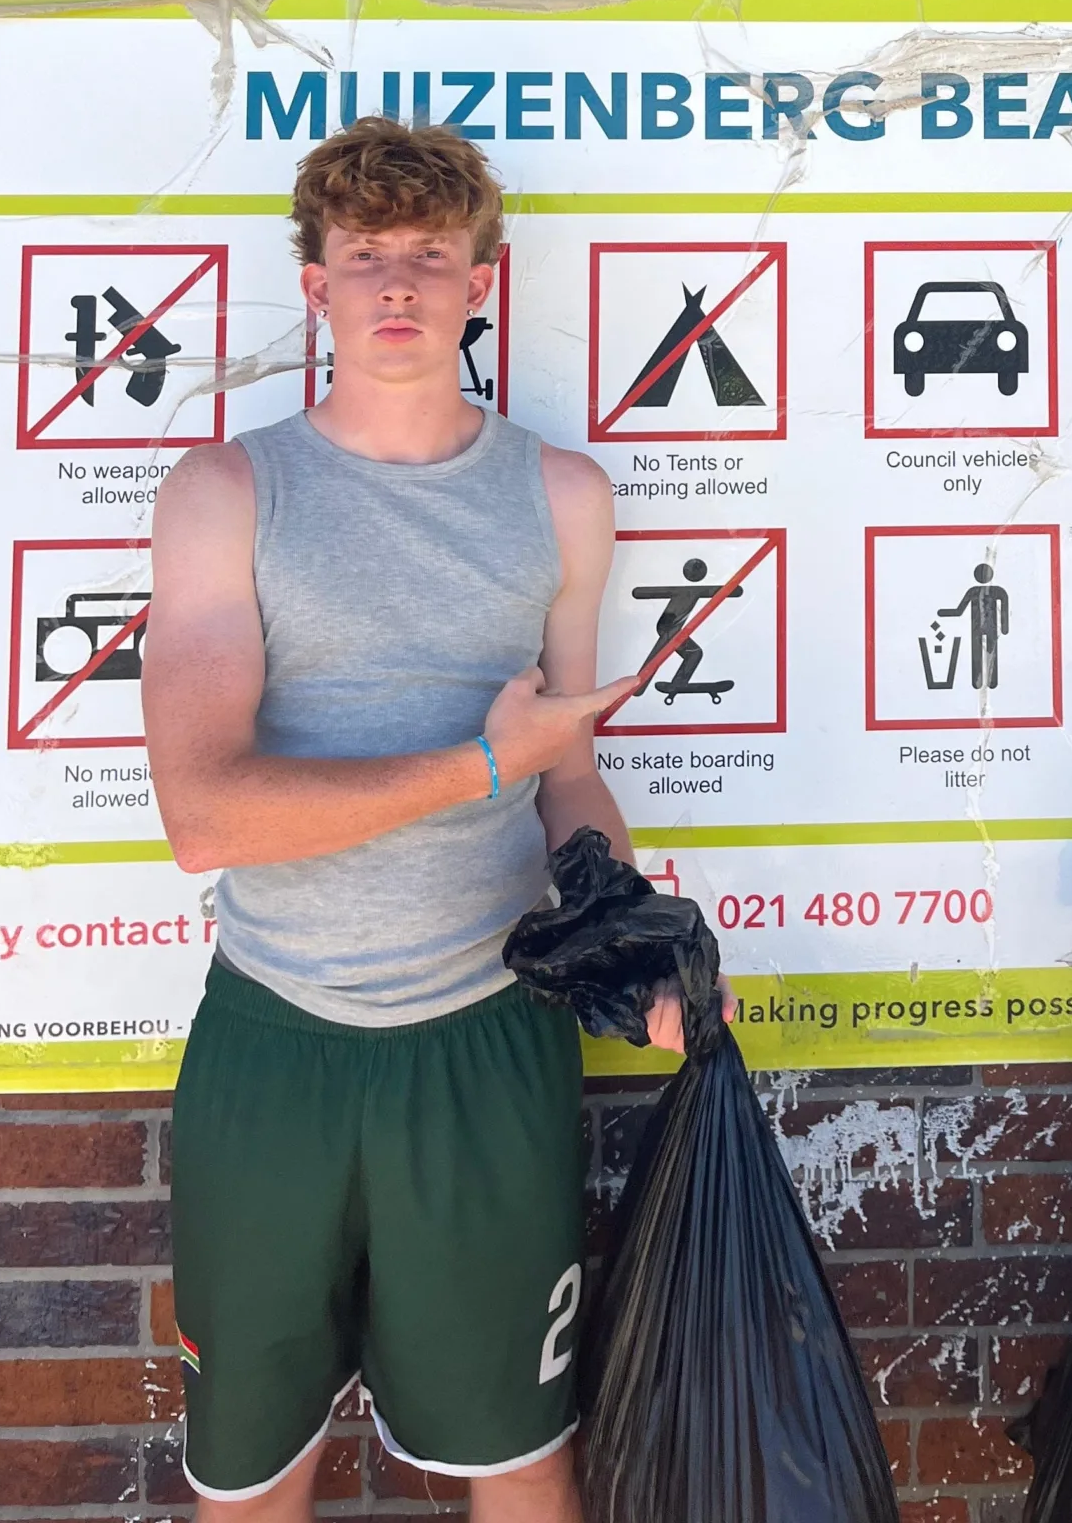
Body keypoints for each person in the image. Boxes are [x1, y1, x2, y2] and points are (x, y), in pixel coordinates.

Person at [145, 118, 671, 1522]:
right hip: (277, 1039)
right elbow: (204, 818)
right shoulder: (225, 492)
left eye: (429, 257)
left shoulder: (562, 495)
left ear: (479, 285)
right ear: (316, 286)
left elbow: (568, 773)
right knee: (250, 1472)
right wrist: (479, 765)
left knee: (523, 1458)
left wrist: (629, 927)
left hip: (489, 1037)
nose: (397, 283)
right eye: (366, 254)